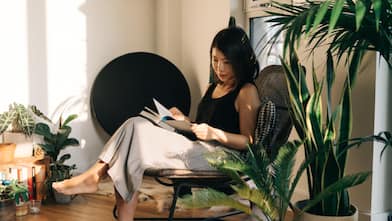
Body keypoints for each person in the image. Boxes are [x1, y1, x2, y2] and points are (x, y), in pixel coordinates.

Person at [52, 26, 261, 221]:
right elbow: (203, 126)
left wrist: (214, 133)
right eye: (215, 60)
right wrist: (185, 121)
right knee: (135, 124)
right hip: (199, 147)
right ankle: (96, 178)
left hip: (223, 157)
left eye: (227, 62)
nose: (219, 68)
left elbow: (248, 142)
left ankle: (95, 175)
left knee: (134, 141)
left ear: (239, 61)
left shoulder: (246, 91)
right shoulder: (213, 87)